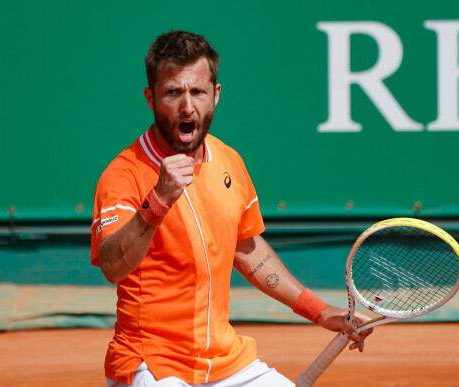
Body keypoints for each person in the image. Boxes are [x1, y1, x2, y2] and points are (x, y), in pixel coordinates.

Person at [91, 30, 372, 387]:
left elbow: (247, 249)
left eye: (198, 92)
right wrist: (157, 202)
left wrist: (319, 311)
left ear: (216, 95)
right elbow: (113, 266)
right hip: (152, 363)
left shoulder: (228, 161)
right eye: (172, 92)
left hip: (225, 362)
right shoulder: (123, 174)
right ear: (151, 98)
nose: (187, 106)